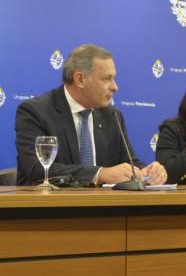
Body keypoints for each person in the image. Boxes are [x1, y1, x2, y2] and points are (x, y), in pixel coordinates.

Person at [15, 44, 167, 186]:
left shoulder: (112, 115)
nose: (115, 87)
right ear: (80, 79)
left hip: (102, 209)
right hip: (48, 209)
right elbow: (38, 170)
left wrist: (149, 172)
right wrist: (99, 174)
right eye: (107, 79)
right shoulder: (35, 112)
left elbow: (129, 162)